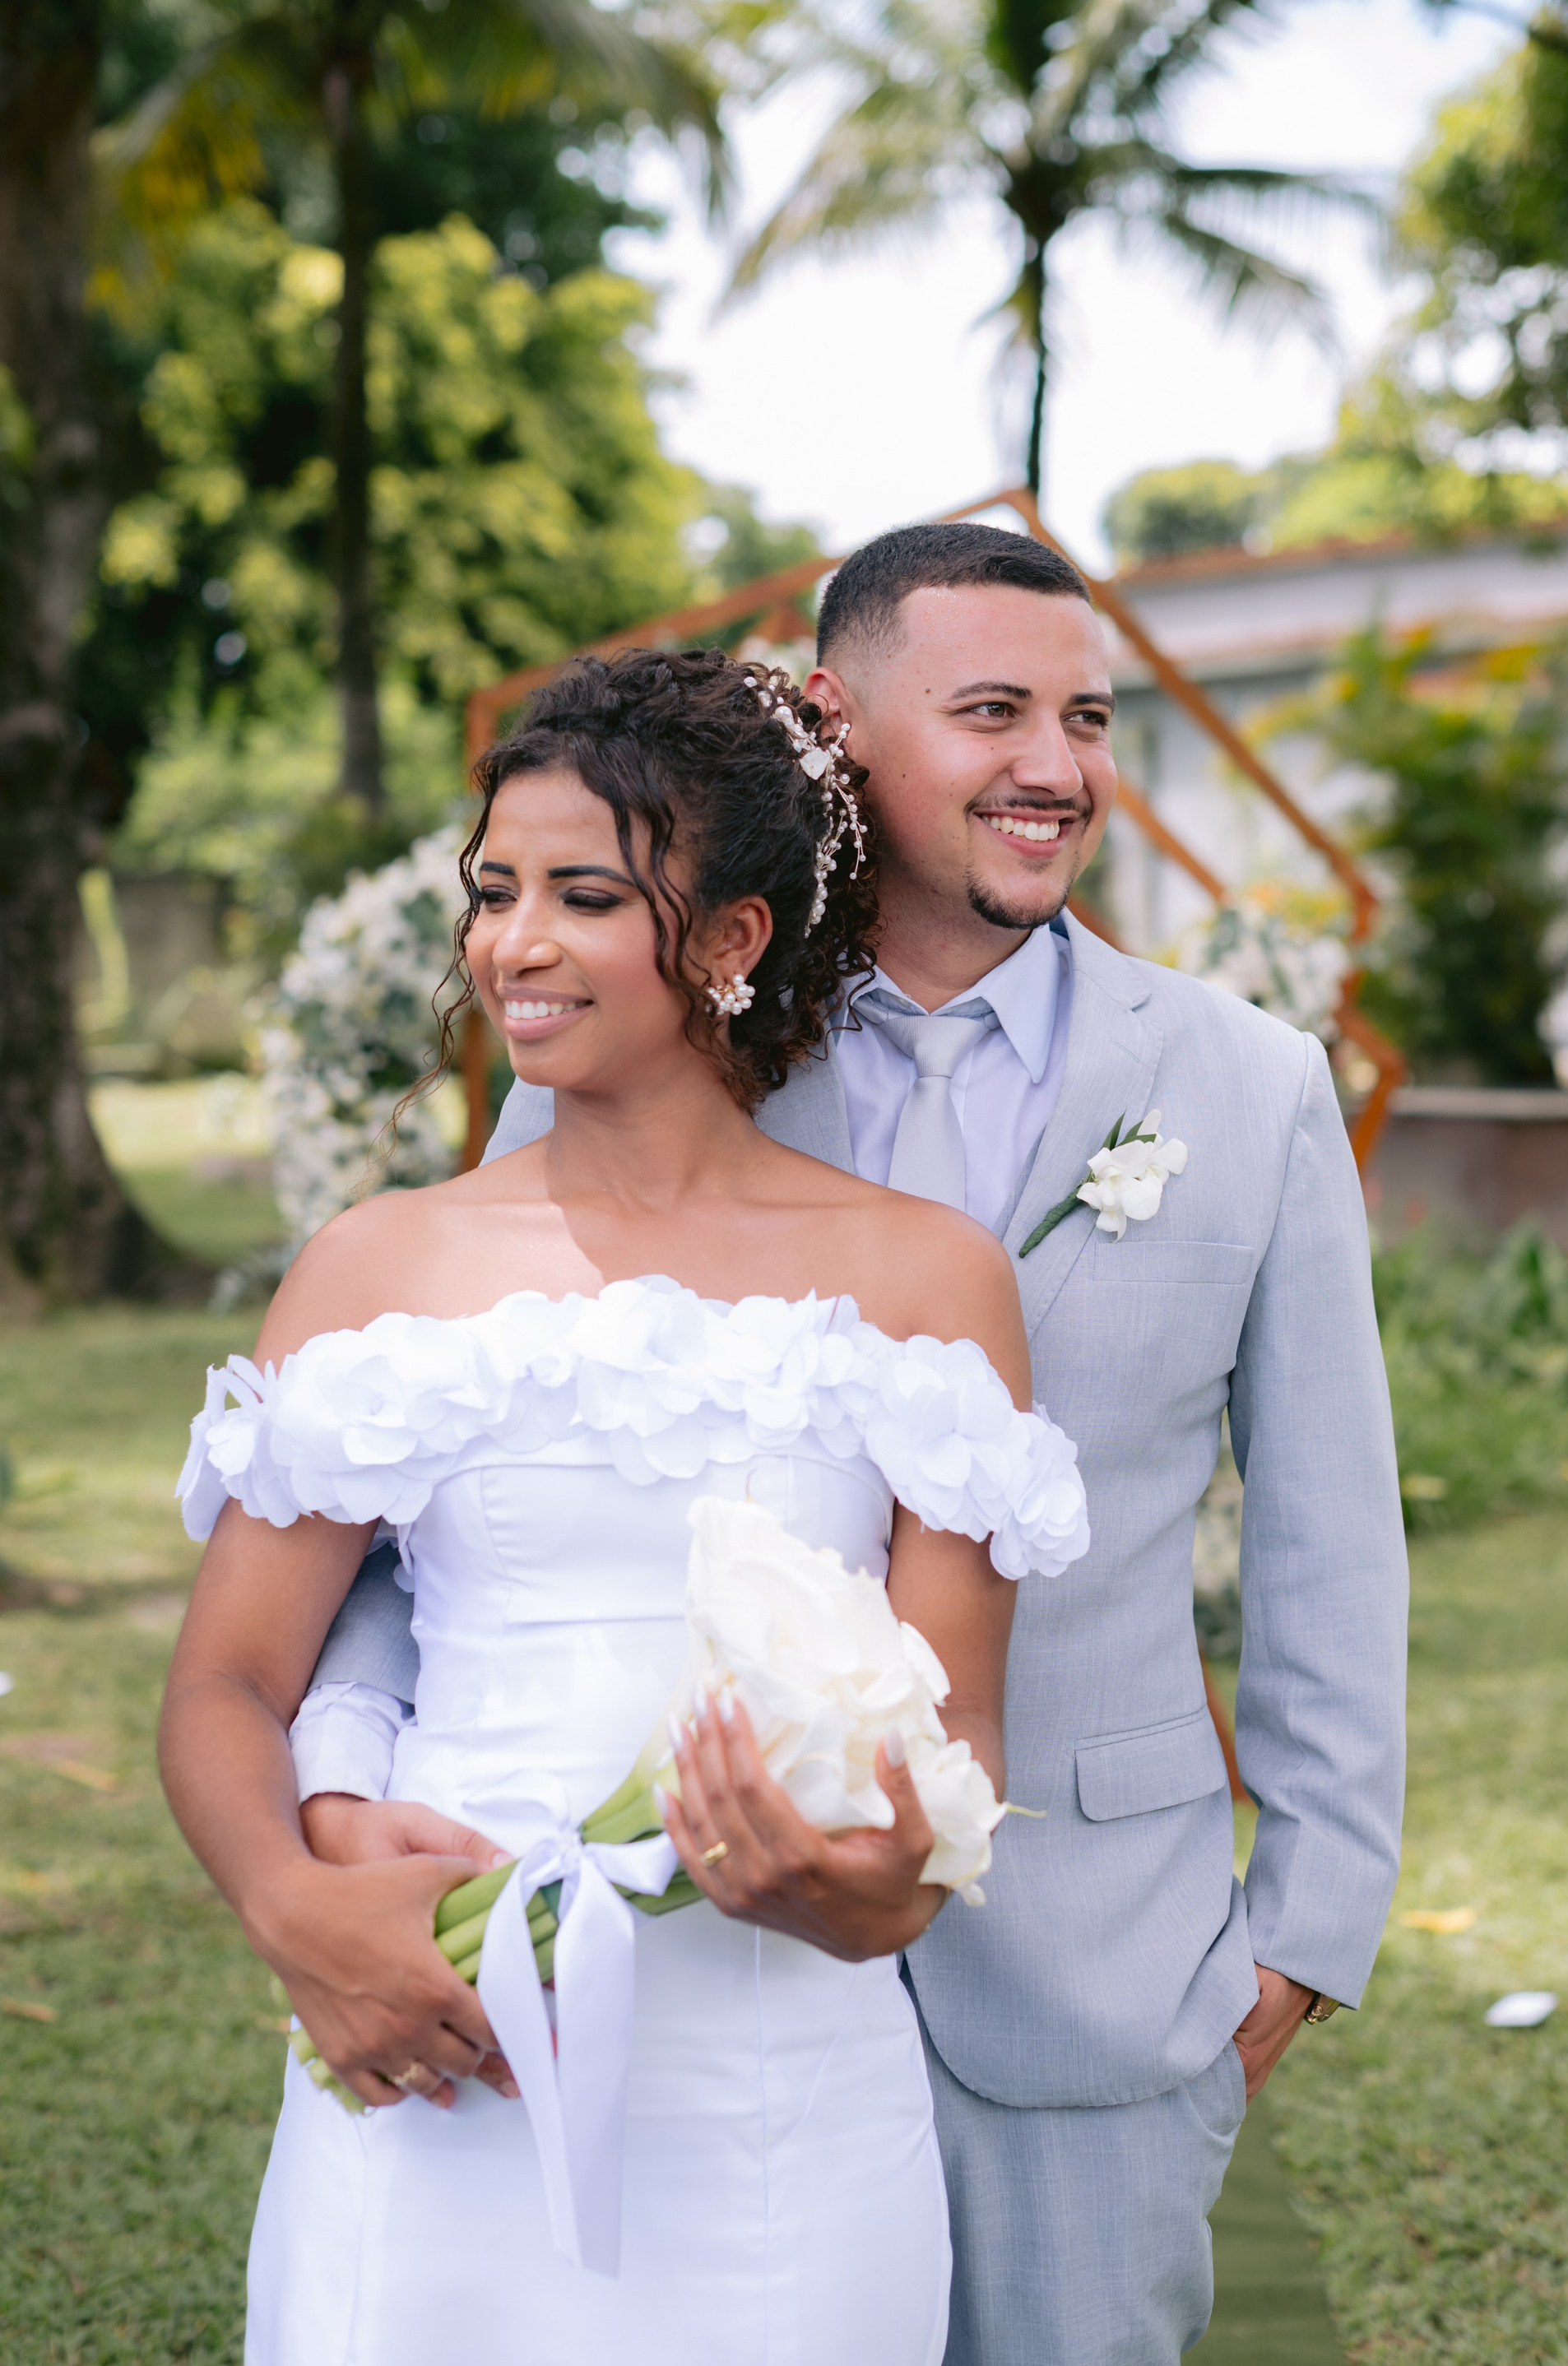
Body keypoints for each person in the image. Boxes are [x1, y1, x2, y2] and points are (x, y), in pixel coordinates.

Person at [296, 522, 1410, 2364]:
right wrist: (343, 1800)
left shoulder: (1247, 1083)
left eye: (1088, 719)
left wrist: (1304, 1926)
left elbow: (1331, 1535)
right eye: (993, 713)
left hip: (1092, 1964)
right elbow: (442, 1472)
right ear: (838, 720)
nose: (1057, 766)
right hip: (690, 1966)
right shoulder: (646, 1035)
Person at [160, 643, 1092, 2366]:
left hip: (783, 2105)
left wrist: (867, 1888)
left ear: (731, 939)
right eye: (494, 891)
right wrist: (297, 1915)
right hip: (439, 2056)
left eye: (584, 897)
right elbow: (226, 1685)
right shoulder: (377, 1266)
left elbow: (956, 1736)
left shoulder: (927, 1281)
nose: (513, 943)